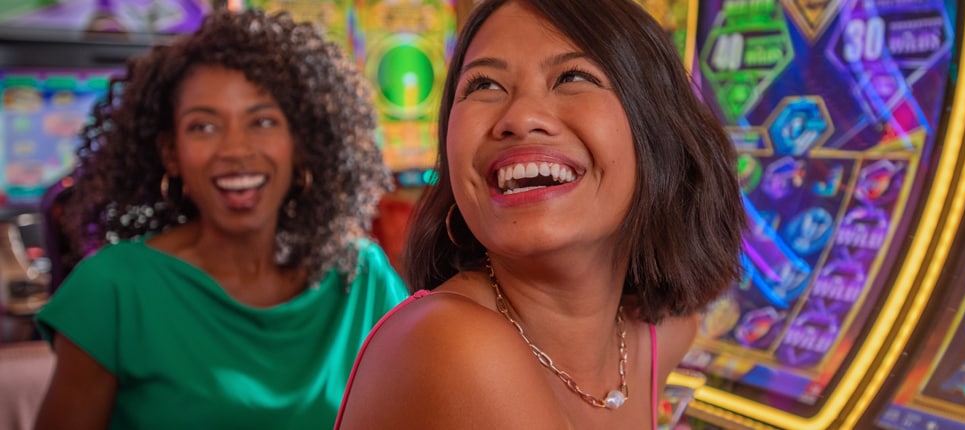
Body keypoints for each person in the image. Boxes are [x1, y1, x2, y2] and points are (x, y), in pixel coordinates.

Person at [336, 0, 745, 428]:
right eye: (484, 86)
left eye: (572, 77)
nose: (520, 117)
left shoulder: (664, 334)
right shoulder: (451, 341)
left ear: (658, 132)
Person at [34, 9, 407, 429]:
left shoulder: (361, 277)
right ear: (170, 154)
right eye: (204, 127)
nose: (235, 149)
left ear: (300, 144)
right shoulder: (111, 290)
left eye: (262, 121)